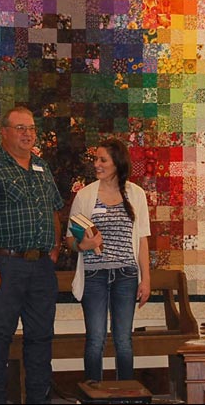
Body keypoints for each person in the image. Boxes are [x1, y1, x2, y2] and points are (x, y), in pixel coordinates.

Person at [0, 106, 64, 404]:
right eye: (21, 128)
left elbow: (54, 209)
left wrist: (55, 248)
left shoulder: (41, 166)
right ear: (4, 132)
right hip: (6, 266)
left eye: (32, 128)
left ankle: (38, 399)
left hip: (41, 270)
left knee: (41, 338)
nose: (28, 134)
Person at [66, 138, 151, 382]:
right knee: (95, 339)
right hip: (94, 276)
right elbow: (70, 239)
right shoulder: (85, 196)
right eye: (96, 159)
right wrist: (84, 245)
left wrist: (146, 280)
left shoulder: (136, 194)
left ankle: (126, 393)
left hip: (126, 275)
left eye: (103, 160)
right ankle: (93, 393)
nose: (97, 164)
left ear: (117, 163)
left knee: (123, 340)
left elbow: (143, 240)